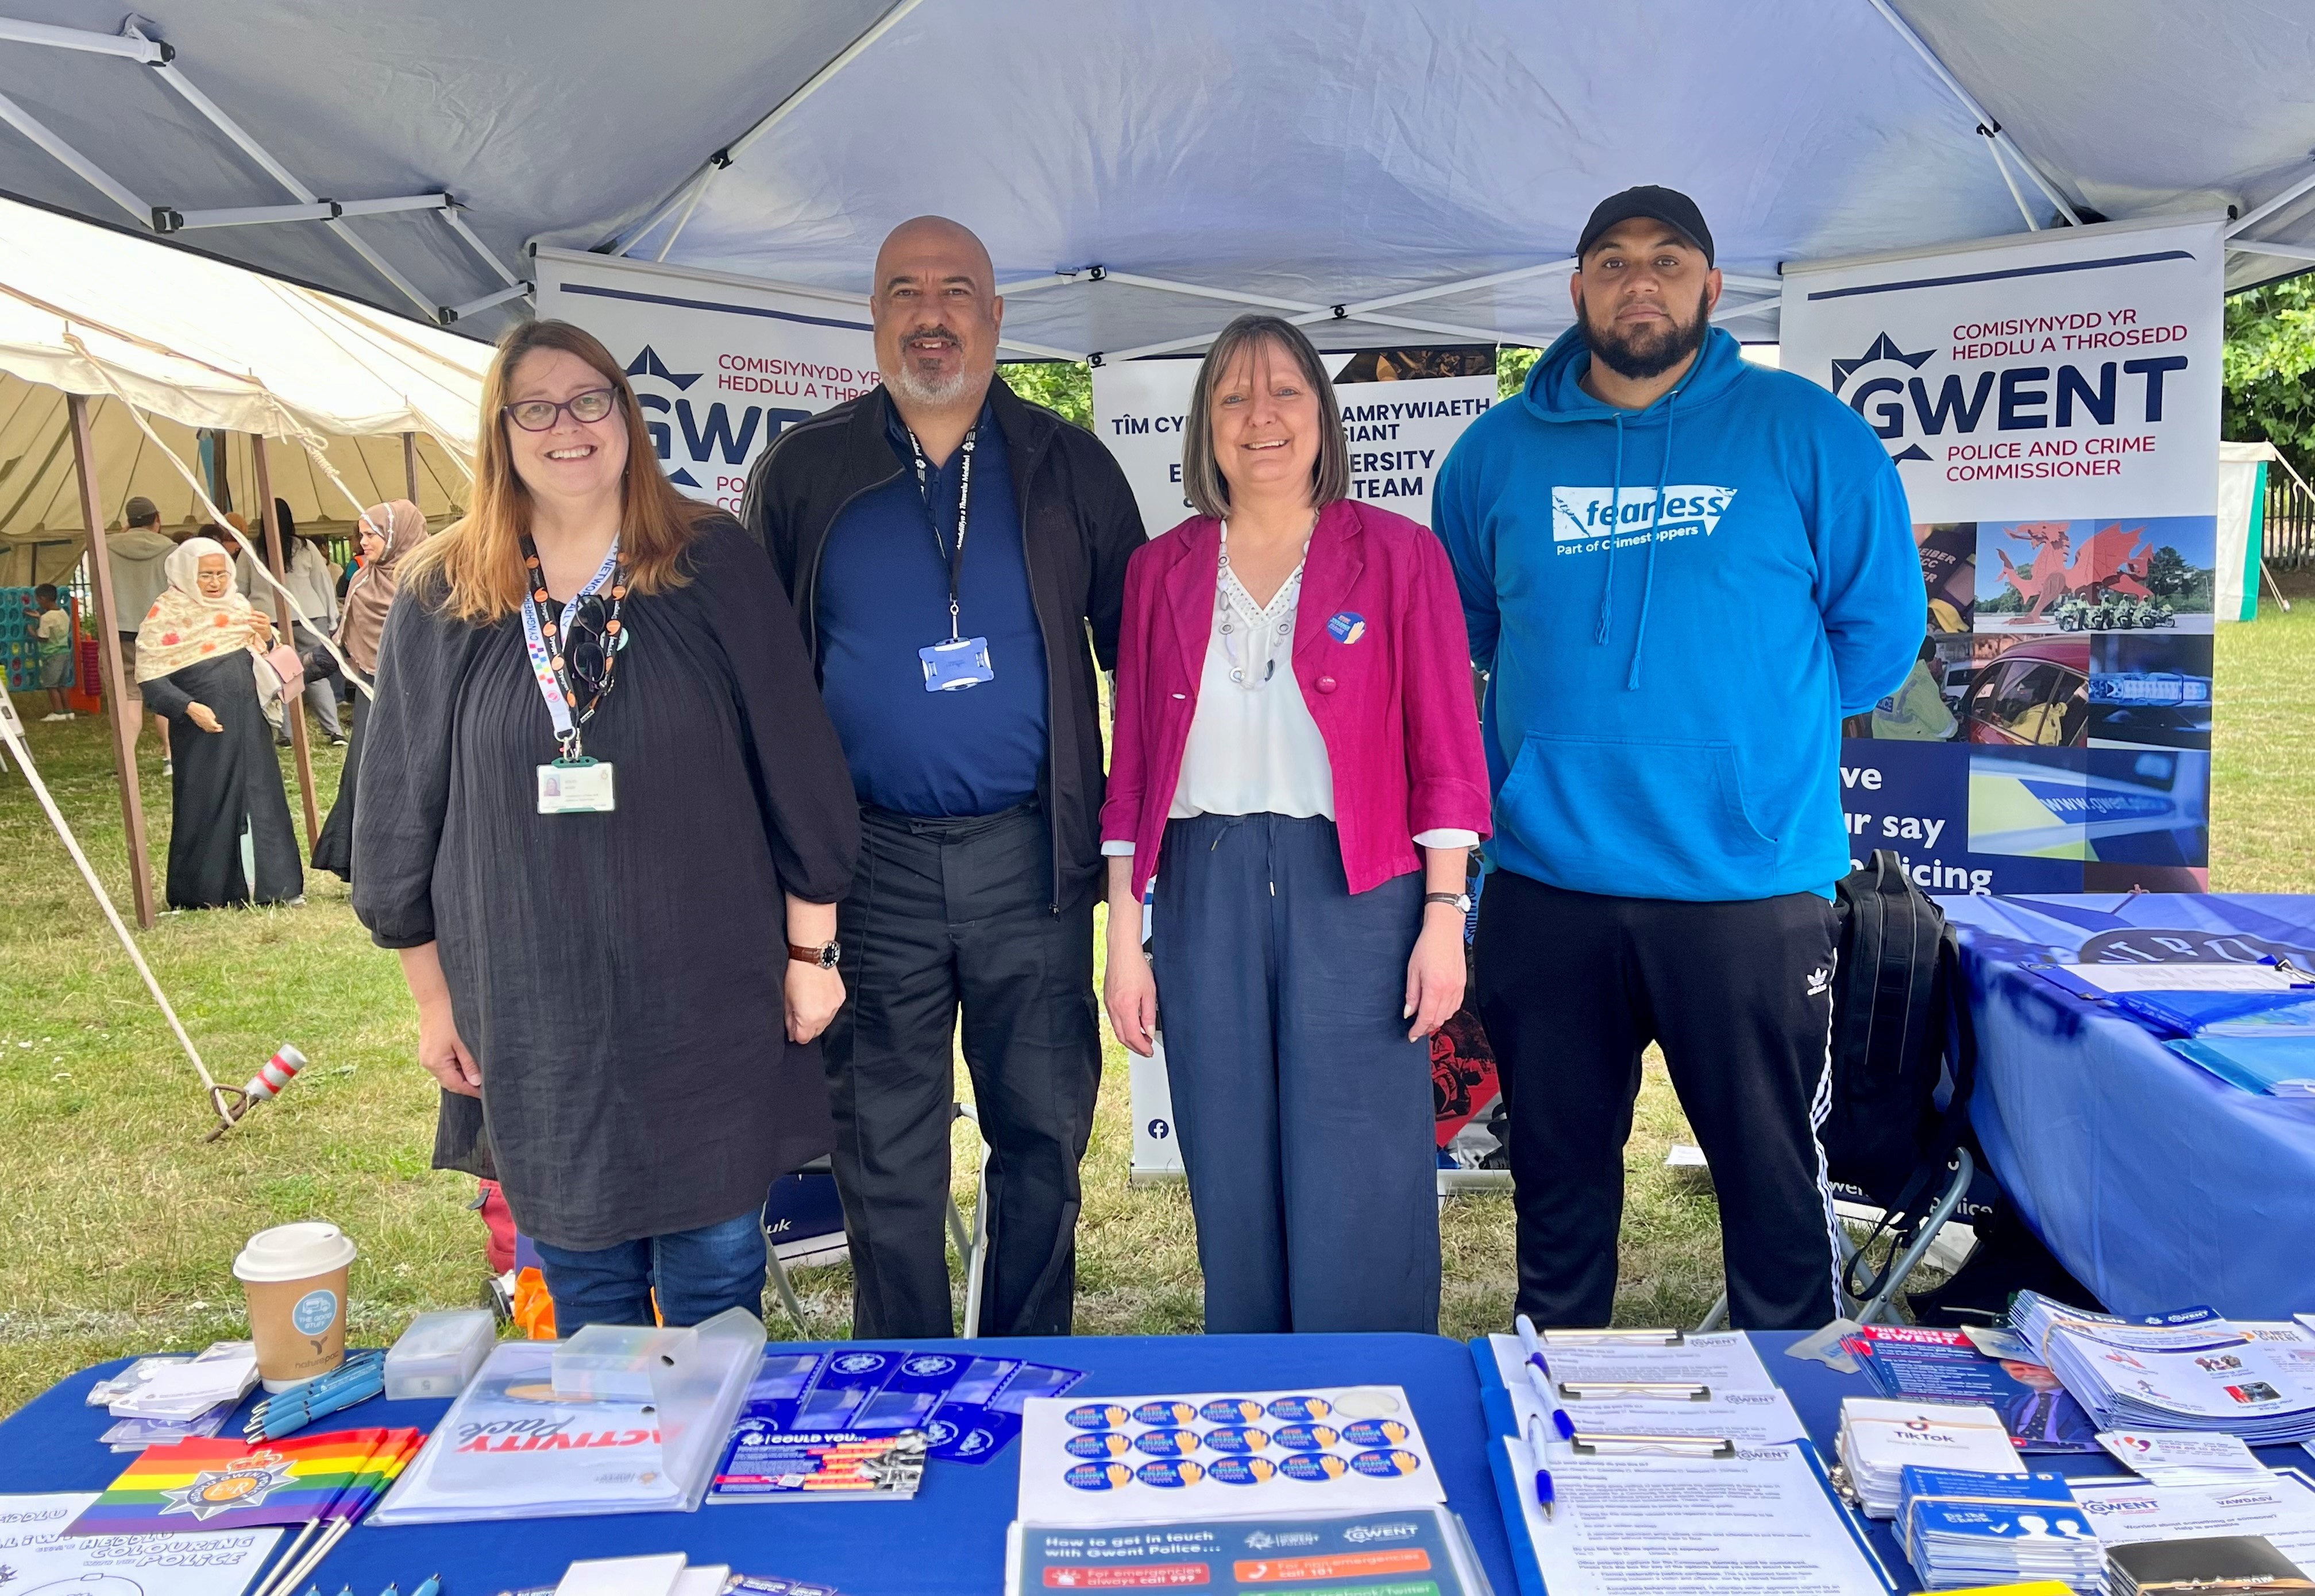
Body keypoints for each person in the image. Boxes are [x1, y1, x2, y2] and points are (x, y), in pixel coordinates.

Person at [1433, 185, 1920, 1330]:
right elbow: (1469, 636)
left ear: (1710, 286)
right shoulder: (1494, 454)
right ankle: (1555, 1418)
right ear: (1576, 289)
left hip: (1744, 888)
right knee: (1554, 1195)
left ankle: (1797, 1436)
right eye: (1609, 261)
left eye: (1664, 260)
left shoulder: (1809, 436)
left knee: (1772, 1199)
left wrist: (1747, 744)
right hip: (1549, 884)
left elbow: (1877, 642)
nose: (1636, 280)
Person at [353, 319, 859, 1333]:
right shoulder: (443, 592)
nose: (566, 426)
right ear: (501, 430)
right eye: (534, 406)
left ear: (626, 417)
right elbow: (401, 807)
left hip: (705, 992)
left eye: (590, 399)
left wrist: (813, 948)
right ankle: (616, 1475)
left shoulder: (711, 559)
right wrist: (432, 999)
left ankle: (716, 1478)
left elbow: (797, 765)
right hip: (532, 1004)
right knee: (586, 1300)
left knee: (717, 1280)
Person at [742, 216, 1143, 1339]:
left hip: (1033, 863)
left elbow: (1143, 660)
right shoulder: (806, 471)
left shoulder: (1070, 466)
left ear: (997, 314)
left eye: (956, 289)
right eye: (905, 292)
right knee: (883, 1146)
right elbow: (760, 689)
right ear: (872, 320)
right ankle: (906, 1375)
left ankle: (1021, 1362)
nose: (931, 314)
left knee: (1041, 1134)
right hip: (870, 868)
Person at [1100, 315, 1490, 1333]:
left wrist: (1443, 915)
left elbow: (1449, 750)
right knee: (1229, 1157)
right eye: (1233, 396)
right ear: (1205, 426)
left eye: (1284, 392)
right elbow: (1133, 764)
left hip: (1358, 887)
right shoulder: (1160, 571)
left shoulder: (1400, 556)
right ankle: (1255, 1392)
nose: (1259, 416)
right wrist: (1122, 934)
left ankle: (1376, 1398)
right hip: (1204, 883)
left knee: (1359, 1159)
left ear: (1322, 414)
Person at [133, 536, 304, 909]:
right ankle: (204, 892)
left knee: (261, 797)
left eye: (221, 574)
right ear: (185, 574)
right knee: (205, 802)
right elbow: (150, 678)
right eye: (205, 575)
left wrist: (265, 636)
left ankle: (276, 886)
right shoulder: (165, 615)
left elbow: (271, 662)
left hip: (248, 724)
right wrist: (189, 707)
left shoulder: (239, 607)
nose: (214, 582)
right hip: (200, 732)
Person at [311, 500, 427, 882]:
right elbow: (341, 647)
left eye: (370, 535)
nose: (362, 544)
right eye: (360, 535)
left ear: (396, 535)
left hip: (422, 690)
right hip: (372, 689)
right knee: (368, 772)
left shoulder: (432, 580)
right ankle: (364, 862)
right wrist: (290, 671)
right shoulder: (362, 582)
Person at [106, 496, 176, 762]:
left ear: (128, 521)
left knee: (128, 696)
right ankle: (171, 756)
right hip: (159, 631)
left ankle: (126, 761)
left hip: (119, 631)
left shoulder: (107, 547)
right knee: (165, 691)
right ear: (156, 519)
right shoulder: (171, 549)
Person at [1872, 637, 1958, 740]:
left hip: (1884, 748)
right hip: (1916, 752)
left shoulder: (1889, 673)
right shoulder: (1919, 683)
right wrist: (1955, 723)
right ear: (1931, 661)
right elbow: (1944, 727)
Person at [32, 583, 73, 720]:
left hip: (52, 655)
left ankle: (57, 713)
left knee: (51, 685)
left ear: (43, 599)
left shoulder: (46, 618)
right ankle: (68, 712)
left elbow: (44, 638)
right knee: (62, 685)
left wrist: (33, 633)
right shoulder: (63, 614)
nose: (38, 603)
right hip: (64, 653)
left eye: (38, 600)